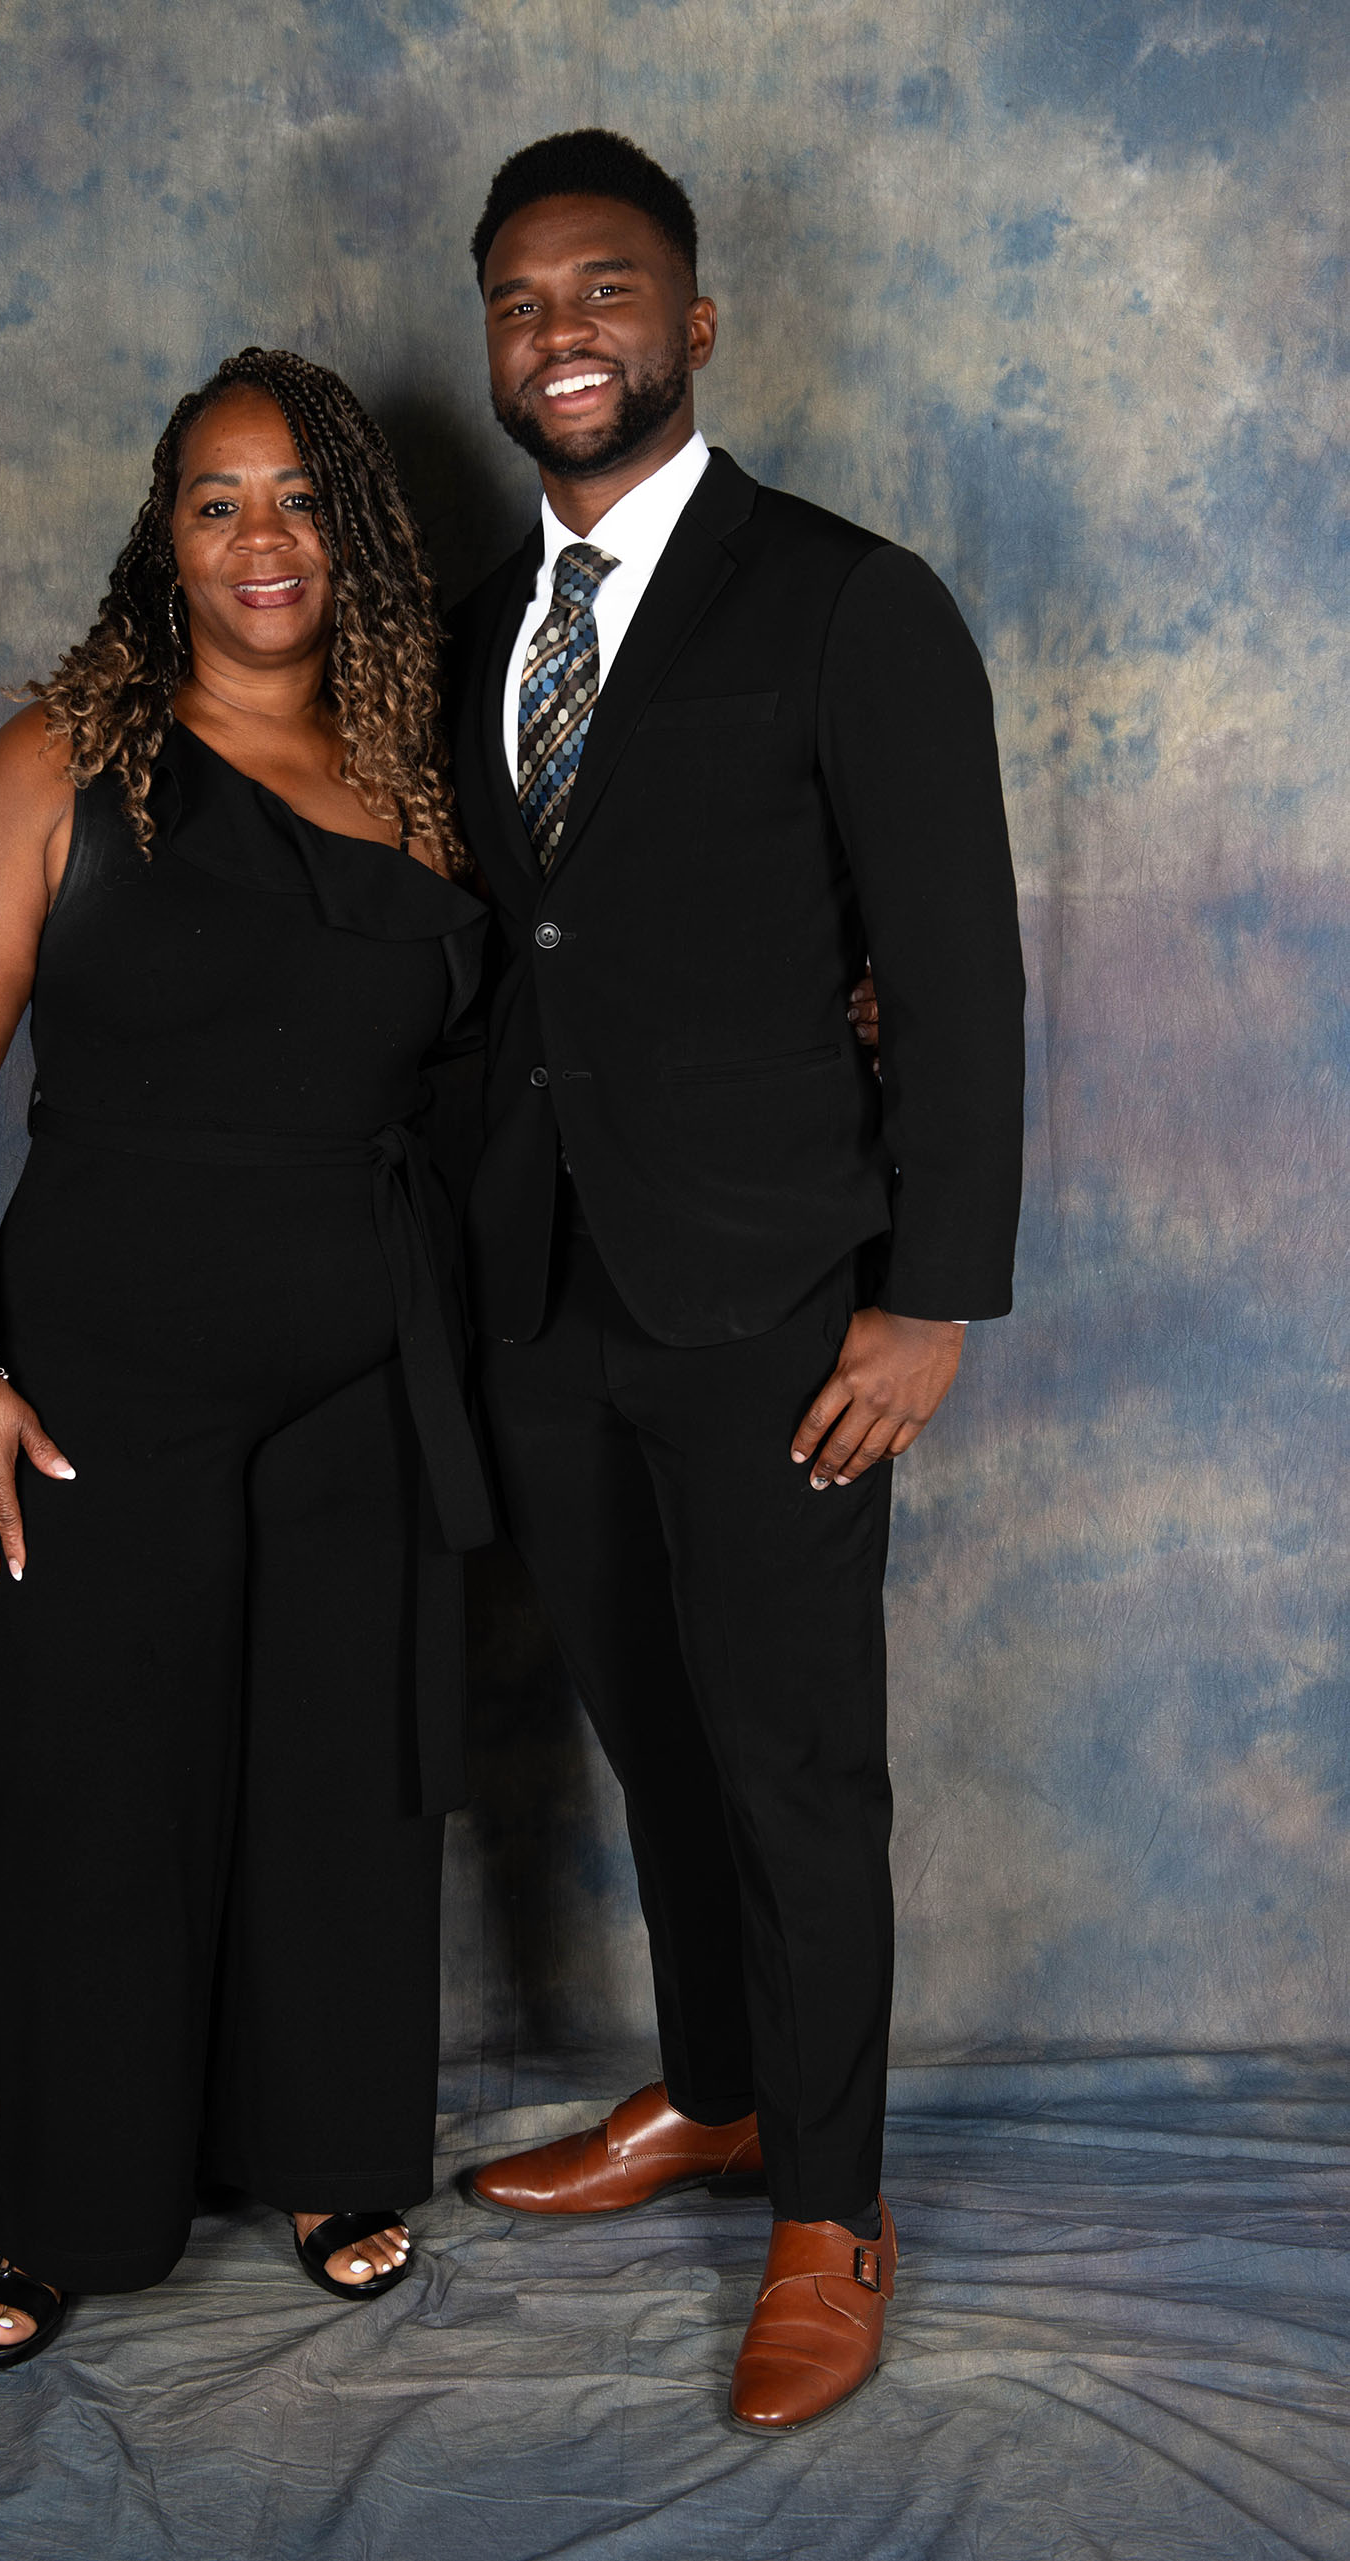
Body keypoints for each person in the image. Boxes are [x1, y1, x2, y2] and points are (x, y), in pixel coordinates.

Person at [449, 132, 1026, 2433]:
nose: (559, 331)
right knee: (647, 1726)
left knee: (792, 1763)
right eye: (519, 298)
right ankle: (715, 2092)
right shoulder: (486, 624)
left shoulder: (848, 602)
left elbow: (955, 971)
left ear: (691, 323)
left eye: (604, 287)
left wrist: (929, 1296)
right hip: (546, 1292)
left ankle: (832, 2209)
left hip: (783, 1294)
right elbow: (520, 942)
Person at [0, 348, 492, 2368]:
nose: (261, 540)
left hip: (366, 1363)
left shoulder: (421, 769)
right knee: (99, 1783)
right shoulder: (64, 757)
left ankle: (330, 2149)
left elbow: (530, 1039)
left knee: (342, 1773)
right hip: (104, 1363)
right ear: (166, 533)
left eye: (302, 498)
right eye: (218, 500)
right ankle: (61, 2203)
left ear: (357, 534)